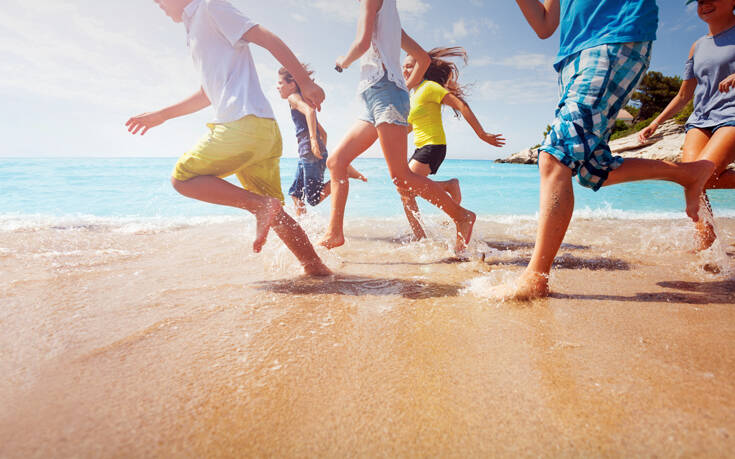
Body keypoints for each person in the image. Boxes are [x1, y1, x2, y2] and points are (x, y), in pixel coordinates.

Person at [509, 0, 715, 299]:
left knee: (556, 155)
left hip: (615, 36)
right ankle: (687, 174)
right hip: (571, 57)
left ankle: (535, 277)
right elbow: (544, 25)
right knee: (593, 169)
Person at [126, 0, 330, 276]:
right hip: (263, 131)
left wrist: (304, 82)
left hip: (241, 126)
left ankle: (260, 207)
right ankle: (317, 270)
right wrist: (162, 115)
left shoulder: (210, 8)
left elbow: (266, 38)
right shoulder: (194, 28)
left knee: (182, 179)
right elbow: (207, 93)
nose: (157, 3)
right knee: (277, 214)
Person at [318, 0, 477, 253]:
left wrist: (342, 62)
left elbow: (361, 44)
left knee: (401, 176)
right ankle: (334, 232)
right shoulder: (389, 17)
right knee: (336, 162)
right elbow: (423, 58)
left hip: (385, 94)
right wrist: (405, 87)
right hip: (374, 98)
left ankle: (462, 216)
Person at [639, 0, 735, 250]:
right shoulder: (697, 46)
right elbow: (684, 95)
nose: (704, 4)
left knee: (700, 176)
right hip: (700, 120)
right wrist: (656, 122)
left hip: (732, 116)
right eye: (700, 1)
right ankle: (708, 250)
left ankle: (707, 248)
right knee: (689, 180)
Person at [401, 47, 506, 240]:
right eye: (403, 67)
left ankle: (460, 217)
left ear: (421, 68)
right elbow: (412, 125)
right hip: (421, 147)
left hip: (433, 146)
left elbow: (461, 105)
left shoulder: (430, 87)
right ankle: (420, 235)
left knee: (406, 184)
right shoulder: (414, 94)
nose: (404, 70)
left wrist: (482, 134)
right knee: (404, 190)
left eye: (409, 66)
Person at [276, 66, 367, 217]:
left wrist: (313, 142)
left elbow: (310, 112)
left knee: (313, 198)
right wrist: (320, 151)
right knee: (296, 194)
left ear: (291, 84)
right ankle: (302, 225)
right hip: (308, 153)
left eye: (280, 83)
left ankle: (343, 173)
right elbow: (323, 133)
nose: (277, 87)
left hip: (309, 152)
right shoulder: (299, 99)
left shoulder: (293, 97)